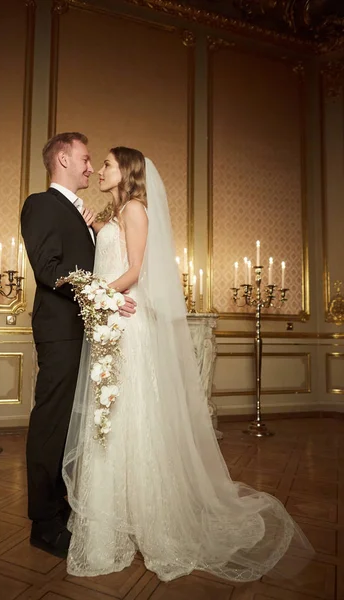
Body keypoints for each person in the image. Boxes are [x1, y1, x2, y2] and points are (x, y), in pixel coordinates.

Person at [62, 147, 313, 582]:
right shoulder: (119, 213)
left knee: (127, 415)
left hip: (127, 324)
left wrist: (96, 295)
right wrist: (96, 225)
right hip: (111, 323)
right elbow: (116, 249)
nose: (100, 170)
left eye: (106, 164)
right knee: (111, 415)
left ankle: (148, 518)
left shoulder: (137, 209)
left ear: (127, 170)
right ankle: (109, 523)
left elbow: (135, 269)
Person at [21, 133, 135, 559]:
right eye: (86, 159)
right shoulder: (41, 204)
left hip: (83, 331)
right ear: (64, 158)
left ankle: (61, 503)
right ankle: (43, 522)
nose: (91, 167)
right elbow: (48, 270)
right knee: (50, 422)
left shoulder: (82, 214)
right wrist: (105, 296)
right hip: (60, 332)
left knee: (70, 424)